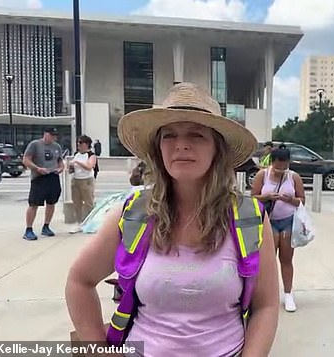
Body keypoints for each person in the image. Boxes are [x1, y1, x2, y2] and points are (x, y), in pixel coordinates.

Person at [65, 83, 279, 356]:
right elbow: (79, 281)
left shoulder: (250, 218)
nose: (181, 145)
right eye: (169, 135)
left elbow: (266, 306)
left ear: (218, 148)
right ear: (158, 148)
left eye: (197, 135)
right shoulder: (131, 214)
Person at [251, 145, 306, 312]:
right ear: (272, 162)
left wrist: (290, 199)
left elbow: (302, 200)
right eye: (277, 167)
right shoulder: (263, 175)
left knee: (286, 258)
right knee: (268, 261)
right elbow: (253, 197)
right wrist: (266, 197)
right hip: (269, 221)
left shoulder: (293, 177)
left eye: (284, 167)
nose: (280, 170)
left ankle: (288, 294)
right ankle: (265, 296)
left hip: (288, 221)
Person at [21, 127, 64, 240]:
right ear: (45, 134)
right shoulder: (35, 144)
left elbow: (60, 161)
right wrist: (37, 168)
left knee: (51, 203)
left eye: (55, 136)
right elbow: (26, 160)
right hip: (39, 178)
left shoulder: (57, 146)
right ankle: (28, 229)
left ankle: (46, 226)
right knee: (34, 204)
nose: (54, 138)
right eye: (52, 135)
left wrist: (60, 168)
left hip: (53, 177)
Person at [68, 135, 98, 234]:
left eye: (80, 143)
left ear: (86, 144)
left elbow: (89, 166)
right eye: (78, 142)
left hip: (86, 181)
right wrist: (71, 167)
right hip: (76, 180)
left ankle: (91, 224)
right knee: (77, 203)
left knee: (89, 203)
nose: (78, 145)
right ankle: (79, 223)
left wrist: (77, 162)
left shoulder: (91, 155)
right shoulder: (77, 154)